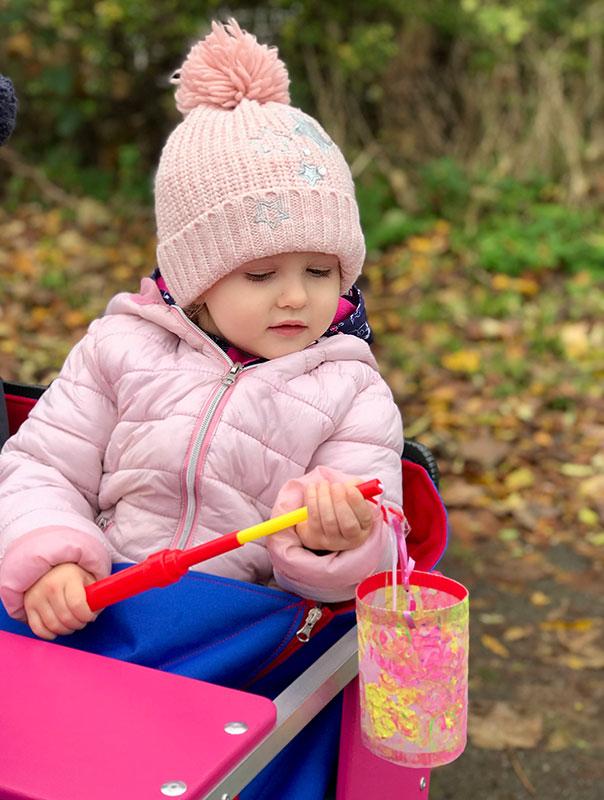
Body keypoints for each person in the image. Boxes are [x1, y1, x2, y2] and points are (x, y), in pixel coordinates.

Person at [0, 19, 403, 642]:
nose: (296, 294)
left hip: (231, 646)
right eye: (261, 273)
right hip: (94, 613)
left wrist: (339, 544)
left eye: (321, 270)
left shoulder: (351, 392)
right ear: (198, 278)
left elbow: (379, 555)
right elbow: (40, 467)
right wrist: (52, 551)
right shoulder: (121, 348)